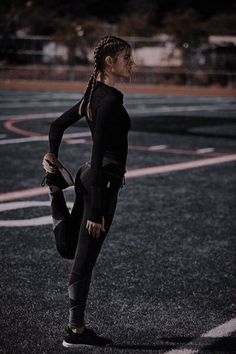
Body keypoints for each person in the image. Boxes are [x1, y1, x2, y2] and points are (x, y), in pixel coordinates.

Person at [42, 35, 134, 348]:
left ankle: (55, 191)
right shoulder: (108, 101)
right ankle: (76, 331)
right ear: (110, 62)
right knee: (84, 258)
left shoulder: (94, 94)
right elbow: (97, 155)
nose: (131, 64)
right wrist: (95, 209)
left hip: (87, 177)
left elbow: (56, 126)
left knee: (69, 248)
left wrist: (52, 154)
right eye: (126, 58)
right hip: (101, 183)